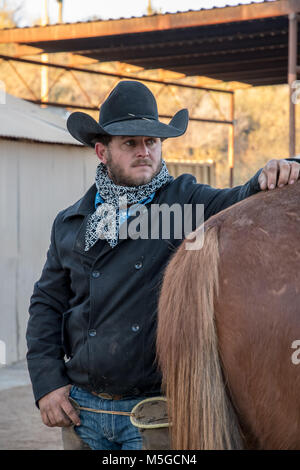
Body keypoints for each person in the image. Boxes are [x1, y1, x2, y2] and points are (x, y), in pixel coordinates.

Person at [26, 80, 300, 451]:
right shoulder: (72, 222)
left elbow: (241, 198)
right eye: (130, 143)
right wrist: (47, 385)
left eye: (151, 142)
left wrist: (281, 168)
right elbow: (47, 305)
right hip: (82, 411)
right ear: (101, 152)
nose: (144, 152)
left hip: (153, 414)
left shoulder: (184, 202)